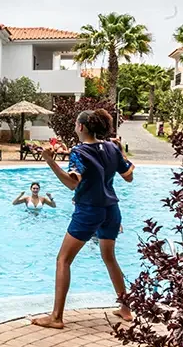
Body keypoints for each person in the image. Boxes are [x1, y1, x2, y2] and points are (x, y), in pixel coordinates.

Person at [32, 109, 135, 330]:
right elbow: (129, 177)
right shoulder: (110, 147)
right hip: (111, 210)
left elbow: (72, 183)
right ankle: (126, 309)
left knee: (63, 260)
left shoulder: (79, 151)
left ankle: (56, 317)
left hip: (89, 210)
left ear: (80, 127)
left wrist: (50, 161)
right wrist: (120, 151)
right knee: (109, 258)